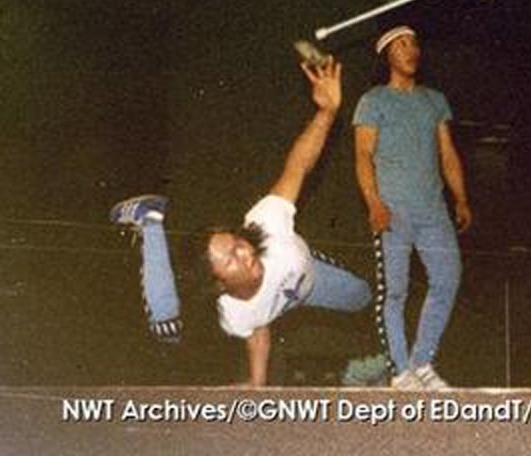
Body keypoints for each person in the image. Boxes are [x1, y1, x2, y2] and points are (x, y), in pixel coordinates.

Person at [110, 59, 371, 386]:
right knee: (167, 328)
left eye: (238, 245)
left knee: (364, 297)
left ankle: (148, 220)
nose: (246, 254)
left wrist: (327, 113)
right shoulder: (232, 313)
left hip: (312, 276)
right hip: (291, 294)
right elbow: (257, 328)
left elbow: (298, 167)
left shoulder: (266, 225)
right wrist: (257, 386)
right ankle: (149, 221)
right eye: (231, 259)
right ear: (219, 284)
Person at [353, 25, 472, 390]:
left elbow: (447, 154)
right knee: (396, 291)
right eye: (402, 45)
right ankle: (400, 372)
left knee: (448, 279)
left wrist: (461, 198)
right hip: (393, 210)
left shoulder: (434, 100)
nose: (411, 50)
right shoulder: (373, 100)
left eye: (414, 43)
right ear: (388, 55)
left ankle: (422, 363)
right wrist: (374, 202)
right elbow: (362, 156)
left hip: (433, 210)